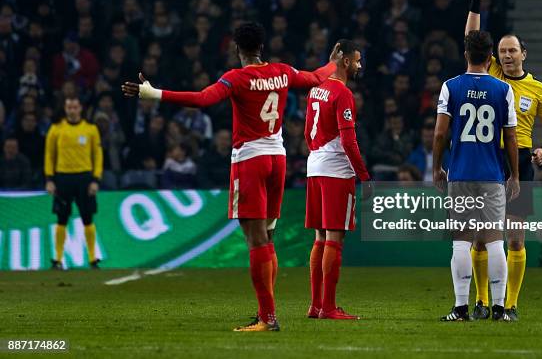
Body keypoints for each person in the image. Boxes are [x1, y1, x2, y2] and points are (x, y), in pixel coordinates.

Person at [122, 22, 338, 332]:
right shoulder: (283, 71)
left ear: (236, 48)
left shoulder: (236, 78)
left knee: (256, 241)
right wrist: (336, 60)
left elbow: (202, 99)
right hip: (278, 159)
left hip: (250, 161)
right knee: (268, 239)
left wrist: (154, 93)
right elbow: (317, 77)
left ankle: (268, 317)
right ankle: (268, 312)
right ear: (261, 47)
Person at [465, 0, 542, 321]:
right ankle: (482, 302)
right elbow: (472, 36)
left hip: (520, 156)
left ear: (523, 53)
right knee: (480, 236)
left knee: (516, 237)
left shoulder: (540, 90)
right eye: (501, 51)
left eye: (511, 51)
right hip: (489, 157)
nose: (505, 56)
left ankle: (512, 305)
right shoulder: (491, 77)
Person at [434, 30, 519, 322]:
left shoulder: (451, 87)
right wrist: (515, 175)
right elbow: (511, 138)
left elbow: (440, 133)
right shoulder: (502, 90)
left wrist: (436, 168)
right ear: (491, 56)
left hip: (460, 173)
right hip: (492, 174)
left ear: (466, 54)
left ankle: (460, 308)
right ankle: (499, 308)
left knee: (461, 240)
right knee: (495, 240)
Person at [304, 39, 370, 320]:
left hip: (315, 165)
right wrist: (364, 176)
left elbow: (307, 132)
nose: (359, 65)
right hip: (336, 171)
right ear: (345, 62)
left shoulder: (316, 89)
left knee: (320, 237)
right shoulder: (342, 94)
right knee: (334, 238)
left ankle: (316, 305)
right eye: (357, 60)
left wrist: (318, 152)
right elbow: (349, 141)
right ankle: (328, 308)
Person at [44, 97, 103, 269]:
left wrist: (96, 179)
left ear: (80, 108)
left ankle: (92, 259)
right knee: (61, 218)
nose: (72, 110)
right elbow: (49, 155)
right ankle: (58, 259)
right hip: (62, 178)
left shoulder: (91, 129)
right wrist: (49, 179)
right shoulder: (56, 129)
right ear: (65, 108)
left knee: (87, 218)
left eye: (75, 107)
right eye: (69, 107)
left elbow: (98, 155)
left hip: (84, 178)